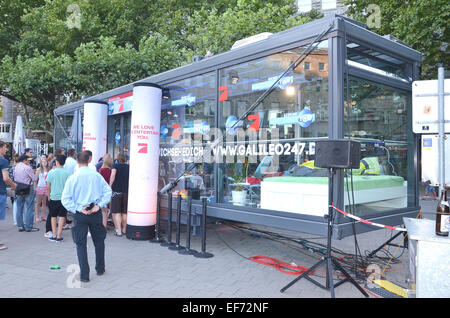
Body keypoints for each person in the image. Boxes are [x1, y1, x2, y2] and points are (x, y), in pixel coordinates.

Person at [61, 151, 112, 282]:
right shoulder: (96, 176)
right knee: (99, 241)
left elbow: (65, 199)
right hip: (95, 212)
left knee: (80, 244)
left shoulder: (73, 177)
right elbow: (108, 192)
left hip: (80, 213)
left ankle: (84, 275)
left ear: (77, 161)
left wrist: (78, 208)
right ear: (89, 160)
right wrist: (99, 205)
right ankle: (100, 268)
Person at [46, 155, 71, 242]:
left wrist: (48, 196)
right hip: (63, 198)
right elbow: (69, 187)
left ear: (56, 162)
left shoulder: (51, 172)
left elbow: (48, 186)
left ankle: (54, 234)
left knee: (53, 216)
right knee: (62, 216)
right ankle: (59, 236)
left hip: (53, 197)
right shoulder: (68, 173)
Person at [14, 154, 38, 232]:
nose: (29, 161)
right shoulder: (27, 168)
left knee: (19, 207)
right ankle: (29, 226)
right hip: (28, 187)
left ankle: (20, 226)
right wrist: (35, 173)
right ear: (24, 160)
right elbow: (34, 178)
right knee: (29, 207)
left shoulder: (16, 167)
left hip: (18, 187)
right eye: (28, 160)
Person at [0, 141, 16, 250]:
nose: (6, 150)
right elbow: (6, 178)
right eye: (5, 147)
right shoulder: (3, 161)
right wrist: (14, 185)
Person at [109, 153, 129, 237]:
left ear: (117, 159)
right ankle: (124, 229)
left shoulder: (115, 165)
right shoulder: (128, 167)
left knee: (117, 212)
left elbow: (113, 174)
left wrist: (110, 185)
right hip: (126, 192)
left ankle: (119, 231)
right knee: (124, 212)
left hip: (116, 192)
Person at [98, 154, 113, 229]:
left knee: (101, 209)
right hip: (106, 191)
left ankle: (101, 225)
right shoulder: (109, 171)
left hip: (100, 191)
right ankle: (104, 226)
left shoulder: (100, 170)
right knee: (105, 210)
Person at [35, 155, 49, 223]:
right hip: (40, 187)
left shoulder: (49, 170)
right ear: (41, 162)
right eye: (43, 161)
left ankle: (43, 216)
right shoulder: (38, 170)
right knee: (38, 203)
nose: (44, 163)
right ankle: (37, 216)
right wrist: (35, 188)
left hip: (46, 187)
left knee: (44, 203)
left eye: (45, 161)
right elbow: (35, 179)